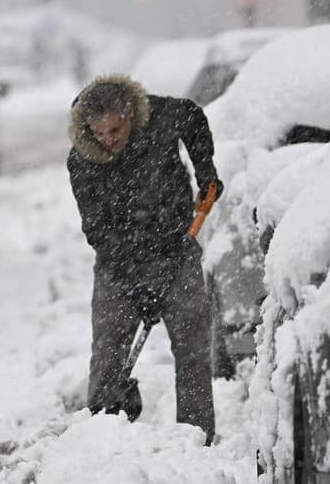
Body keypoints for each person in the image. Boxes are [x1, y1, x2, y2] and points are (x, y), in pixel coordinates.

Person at [67, 74, 223, 445]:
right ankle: (103, 438)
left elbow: (193, 117)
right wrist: (136, 286)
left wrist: (206, 170)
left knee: (192, 350)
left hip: (177, 250)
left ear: (130, 112)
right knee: (108, 355)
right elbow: (97, 230)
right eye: (100, 132)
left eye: (115, 129)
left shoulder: (161, 115)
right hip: (118, 265)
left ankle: (195, 438)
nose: (109, 139)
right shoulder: (83, 160)